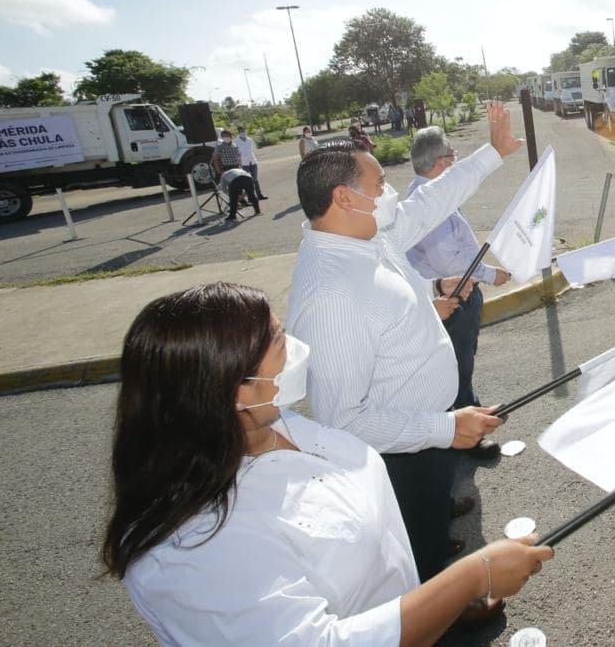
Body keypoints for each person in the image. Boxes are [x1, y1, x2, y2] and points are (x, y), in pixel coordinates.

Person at [102, 282, 552, 646]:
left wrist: (436, 604)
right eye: (279, 339)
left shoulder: (271, 419)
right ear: (236, 387)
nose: (298, 346)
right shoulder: (192, 548)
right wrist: (472, 577)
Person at [287, 102, 522, 603]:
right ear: (344, 197)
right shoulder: (330, 295)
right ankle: (444, 605)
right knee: (409, 548)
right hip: (400, 454)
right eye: (378, 186)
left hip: (426, 436)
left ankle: (435, 539)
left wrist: (493, 154)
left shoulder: (365, 235)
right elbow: (343, 420)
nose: (390, 194)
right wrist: (446, 428)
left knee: (430, 516)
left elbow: (431, 203)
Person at [406, 127, 512, 460]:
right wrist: (490, 273)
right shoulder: (429, 205)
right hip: (450, 298)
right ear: (440, 162)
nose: (457, 162)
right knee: (457, 363)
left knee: (460, 359)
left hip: (450, 295)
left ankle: (471, 411)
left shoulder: (426, 195)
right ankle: (466, 433)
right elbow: (450, 261)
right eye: (454, 156)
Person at [234, 125, 266, 200]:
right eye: (240, 131)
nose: (242, 133)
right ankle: (251, 197)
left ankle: (259, 195)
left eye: (243, 131)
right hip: (244, 164)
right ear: (238, 132)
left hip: (253, 161)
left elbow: (253, 150)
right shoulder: (236, 141)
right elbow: (236, 153)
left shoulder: (250, 140)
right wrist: (239, 163)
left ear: (245, 131)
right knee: (247, 181)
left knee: (255, 179)